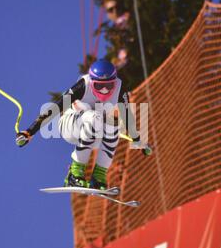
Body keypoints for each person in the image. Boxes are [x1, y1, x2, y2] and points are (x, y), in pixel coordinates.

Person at [15, 59, 142, 190]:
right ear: (92, 82)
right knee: (95, 117)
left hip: (94, 135)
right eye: (99, 86)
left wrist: (138, 141)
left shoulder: (120, 89)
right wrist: (30, 131)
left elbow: (128, 117)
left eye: (109, 86)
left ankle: (99, 177)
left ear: (114, 82)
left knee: (114, 123)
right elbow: (55, 109)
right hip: (71, 126)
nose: (104, 91)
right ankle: (75, 174)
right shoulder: (83, 86)